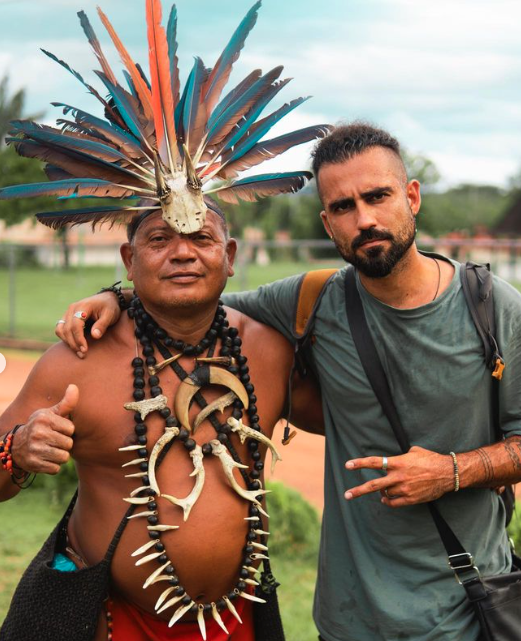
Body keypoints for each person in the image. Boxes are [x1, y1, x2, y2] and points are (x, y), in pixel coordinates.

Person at [59, 122, 521, 641]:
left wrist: (452, 471)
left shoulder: (493, 307)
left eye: (378, 196)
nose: (364, 219)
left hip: (469, 610)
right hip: (350, 621)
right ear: (327, 222)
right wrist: (117, 297)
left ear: (411, 198)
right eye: (343, 207)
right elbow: (194, 299)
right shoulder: (315, 300)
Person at [0, 199, 326, 640]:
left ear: (228, 257)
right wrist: (17, 449)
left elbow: (353, 420)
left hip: (240, 622)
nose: (183, 253)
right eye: (159, 239)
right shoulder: (75, 362)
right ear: (129, 261)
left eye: (201, 238)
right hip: (110, 622)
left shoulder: (270, 352)